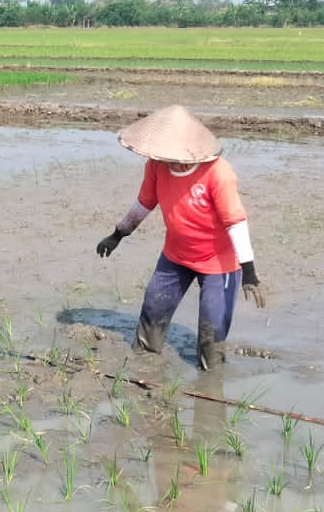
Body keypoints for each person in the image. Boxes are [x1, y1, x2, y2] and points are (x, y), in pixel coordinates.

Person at [95, 105, 265, 369]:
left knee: (212, 335)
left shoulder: (218, 173)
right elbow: (144, 204)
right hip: (175, 257)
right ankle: (144, 371)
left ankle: (209, 385)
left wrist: (249, 271)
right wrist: (118, 234)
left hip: (218, 264)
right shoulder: (156, 166)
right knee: (152, 313)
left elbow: (236, 223)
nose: (170, 160)